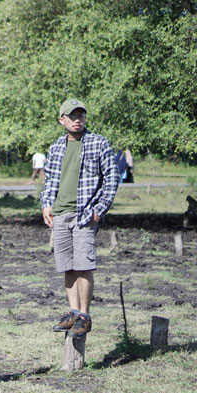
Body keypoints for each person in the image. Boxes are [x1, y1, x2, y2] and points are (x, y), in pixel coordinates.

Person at [41, 98, 118, 338]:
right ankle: (73, 312)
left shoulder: (98, 143)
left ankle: (84, 315)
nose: (77, 120)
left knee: (84, 266)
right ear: (61, 119)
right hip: (61, 214)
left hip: (85, 214)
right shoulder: (55, 147)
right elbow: (51, 180)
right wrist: (46, 204)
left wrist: (100, 208)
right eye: (72, 116)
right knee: (68, 266)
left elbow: (112, 178)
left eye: (81, 115)